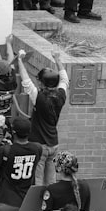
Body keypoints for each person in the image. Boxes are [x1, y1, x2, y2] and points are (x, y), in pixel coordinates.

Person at [25, 45, 69, 185]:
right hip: (53, 143)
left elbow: (26, 83)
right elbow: (64, 80)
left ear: (41, 82)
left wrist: (20, 61)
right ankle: (51, 203)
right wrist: (57, 59)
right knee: (51, 180)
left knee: (37, 180)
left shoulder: (39, 97)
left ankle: (38, 206)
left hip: (39, 144)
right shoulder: (61, 95)